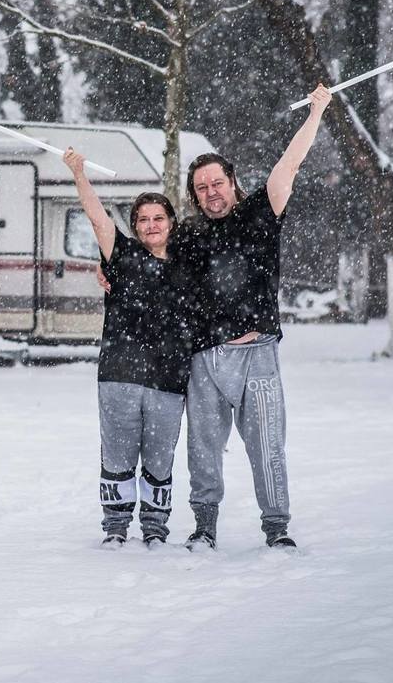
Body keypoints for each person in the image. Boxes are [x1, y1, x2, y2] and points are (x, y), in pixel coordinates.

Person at [183, 83, 332, 552]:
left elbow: (290, 164)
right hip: (206, 360)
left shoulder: (259, 213)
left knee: (268, 447)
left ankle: (276, 528)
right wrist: (108, 275)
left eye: (217, 183)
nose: (211, 192)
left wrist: (316, 113)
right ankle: (204, 527)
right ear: (194, 195)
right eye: (202, 187)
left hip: (258, 355)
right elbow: (147, 262)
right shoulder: (187, 237)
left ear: (232, 181)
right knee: (203, 450)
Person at [63, 146, 199, 550]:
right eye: (143, 219)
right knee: (118, 457)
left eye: (159, 218)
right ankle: (116, 526)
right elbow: (96, 217)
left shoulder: (189, 262)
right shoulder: (121, 255)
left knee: (159, 459)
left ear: (171, 223)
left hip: (168, 379)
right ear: (135, 226)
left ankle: (155, 527)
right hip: (119, 376)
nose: (151, 225)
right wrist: (79, 173)